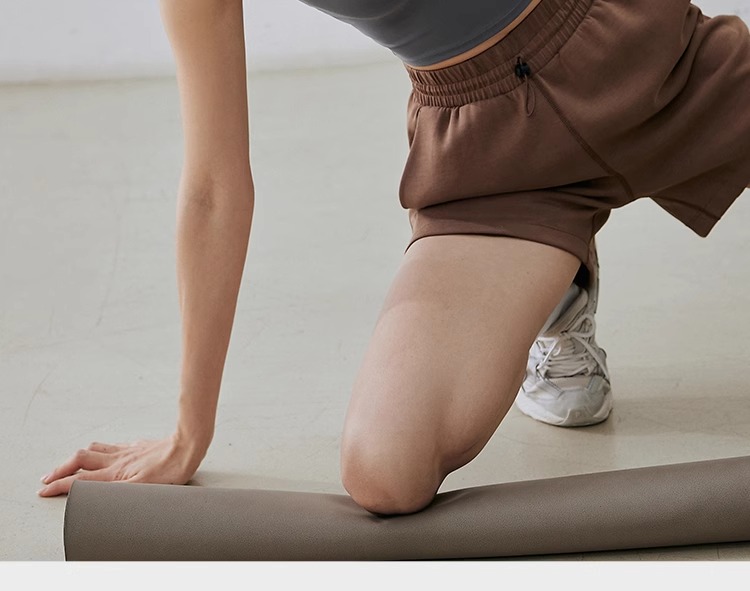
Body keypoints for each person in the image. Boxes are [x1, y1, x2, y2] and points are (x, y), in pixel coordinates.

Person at [39, 0, 749, 516]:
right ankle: (556, 286)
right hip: (492, 154)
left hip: (625, 39)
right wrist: (189, 432)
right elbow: (214, 189)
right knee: (385, 469)